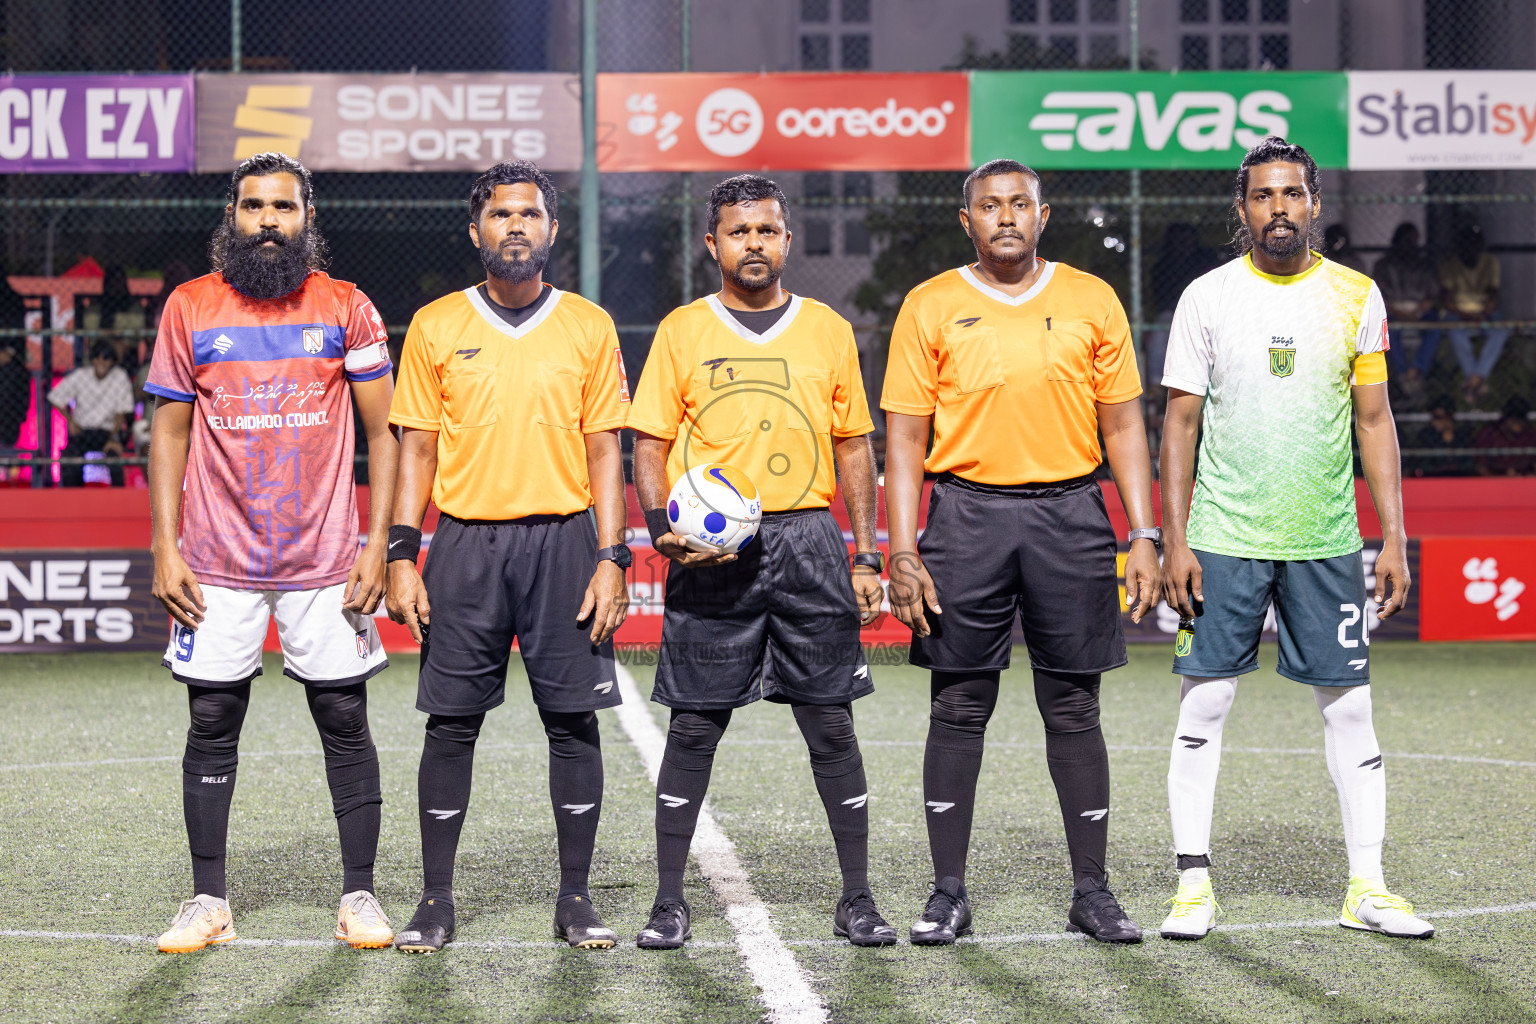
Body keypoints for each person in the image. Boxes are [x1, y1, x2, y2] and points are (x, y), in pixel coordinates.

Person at [1158, 137, 1432, 941]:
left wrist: (1394, 538)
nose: (1278, 207)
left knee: (1351, 710)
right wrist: (1174, 540)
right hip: (1224, 534)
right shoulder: (1206, 298)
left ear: (1314, 203)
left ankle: (1368, 889)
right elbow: (1178, 423)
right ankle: (1192, 887)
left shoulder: (1358, 295)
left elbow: (1374, 419)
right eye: (1262, 195)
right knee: (1204, 703)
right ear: (1242, 211)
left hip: (1324, 537)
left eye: (1293, 194)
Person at [881, 158, 1160, 945]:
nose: (1005, 216)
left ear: (1044, 214)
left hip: (1072, 512)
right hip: (965, 516)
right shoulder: (930, 303)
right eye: (989, 206)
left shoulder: (1091, 298)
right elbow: (903, 440)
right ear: (965, 219)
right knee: (958, 701)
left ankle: (1093, 892)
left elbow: (1124, 427)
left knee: (1072, 705)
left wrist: (1143, 532)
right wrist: (901, 547)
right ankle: (946, 894)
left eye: (1020, 204)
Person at [626, 174, 897, 950]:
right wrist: (657, 528)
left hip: (809, 539)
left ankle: (857, 898)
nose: (754, 244)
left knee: (830, 725)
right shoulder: (683, 330)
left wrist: (866, 554)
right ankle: (669, 901)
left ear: (787, 239)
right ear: (712, 243)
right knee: (694, 727)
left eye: (767, 231)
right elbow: (647, 441)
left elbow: (855, 445)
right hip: (713, 553)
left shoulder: (826, 329)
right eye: (738, 231)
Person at [143, 152, 400, 953]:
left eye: (282, 207)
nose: (267, 221)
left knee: (343, 718)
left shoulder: (346, 307)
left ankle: (359, 895)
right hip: (216, 559)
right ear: (232, 216)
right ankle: (208, 899)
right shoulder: (189, 307)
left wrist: (381, 545)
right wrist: (164, 544)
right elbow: (169, 432)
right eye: (252, 206)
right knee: (212, 718)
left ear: (307, 218)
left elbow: (385, 433)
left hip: (325, 559)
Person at [385, 161, 631, 954]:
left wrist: (612, 556)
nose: (515, 226)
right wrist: (399, 553)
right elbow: (415, 452)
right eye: (500, 215)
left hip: (564, 542)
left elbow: (605, 454)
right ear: (476, 231)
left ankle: (576, 897)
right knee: (450, 725)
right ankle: (435, 899)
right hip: (463, 542)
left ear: (552, 229)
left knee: (572, 722)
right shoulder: (434, 325)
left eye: (529, 214)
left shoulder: (588, 325)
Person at [1438, 223, 1509, 406]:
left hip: (1484, 313)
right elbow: (1447, 301)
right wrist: (1466, 315)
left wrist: (1484, 312)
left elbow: (1493, 294)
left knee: (1501, 329)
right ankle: (1477, 380)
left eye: (1475, 246)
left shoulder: (1490, 262)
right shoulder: (1449, 265)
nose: (1471, 250)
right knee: (1454, 330)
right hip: (1458, 313)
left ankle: (1473, 380)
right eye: (1467, 245)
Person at [48, 340, 135, 486]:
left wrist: (114, 438)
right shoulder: (81, 375)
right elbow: (54, 397)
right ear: (92, 359)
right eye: (97, 358)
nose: (101, 362)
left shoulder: (119, 376)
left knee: (115, 460)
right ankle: (74, 499)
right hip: (83, 430)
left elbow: (122, 411)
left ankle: (118, 501)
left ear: (112, 361)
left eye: (106, 358)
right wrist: (70, 421)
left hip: (108, 431)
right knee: (70, 458)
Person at [1144, 223, 1218, 394]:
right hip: (1172, 313)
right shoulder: (1163, 265)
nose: (1184, 244)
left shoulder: (1204, 260)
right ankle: (1156, 386)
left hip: (1204, 310)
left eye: (1187, 239)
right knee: (1158, 336)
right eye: (1179, 240)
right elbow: (1160, 298)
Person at [1371, 223, 1440, 393]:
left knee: (1435, 327)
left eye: (1412, 241)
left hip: (1420, 311)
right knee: (1387, 329)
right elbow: (1378, 295)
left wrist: (1419, 311)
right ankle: (1402, 372)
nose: (1409, 244)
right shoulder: (1384, 264)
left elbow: (1433, 294)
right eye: (1405, 240)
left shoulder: (1424, 264)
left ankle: (1416, 370)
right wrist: (1396, 311)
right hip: (1393, 311)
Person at [1410, 395, 1475, 477]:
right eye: (1433, 417)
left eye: (1438, 417)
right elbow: (1424, 465)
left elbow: (1468, 465)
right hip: (1435, 479)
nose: (1434, 422)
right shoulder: (1428, 437)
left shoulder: (1463, 437)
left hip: (1460, 479)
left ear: (1449, 416)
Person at [1474, 395, 1534, 476]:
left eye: (1521, 417)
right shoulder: (1490, 433)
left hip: (1523, 479)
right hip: (1496, 480)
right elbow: (1480, 466)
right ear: (1505, 417)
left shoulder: (1530, 434)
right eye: (1513, 417)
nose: (1518, 421)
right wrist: (1501, 479)